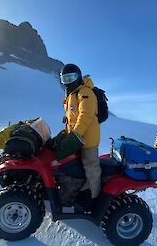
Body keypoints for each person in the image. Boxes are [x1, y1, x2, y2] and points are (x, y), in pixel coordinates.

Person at [55, 63, 101, 212]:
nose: (68, 81)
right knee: (73, 166)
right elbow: (73, 117)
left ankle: (94, 199)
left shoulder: (85, 92)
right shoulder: (72, 95)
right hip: (75, 138)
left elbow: (85, 116)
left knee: (90, 167)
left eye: (71, 77)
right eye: (65, 78)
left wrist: (75, 134)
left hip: (88, 139)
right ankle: (78, 191)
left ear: (78, 76)